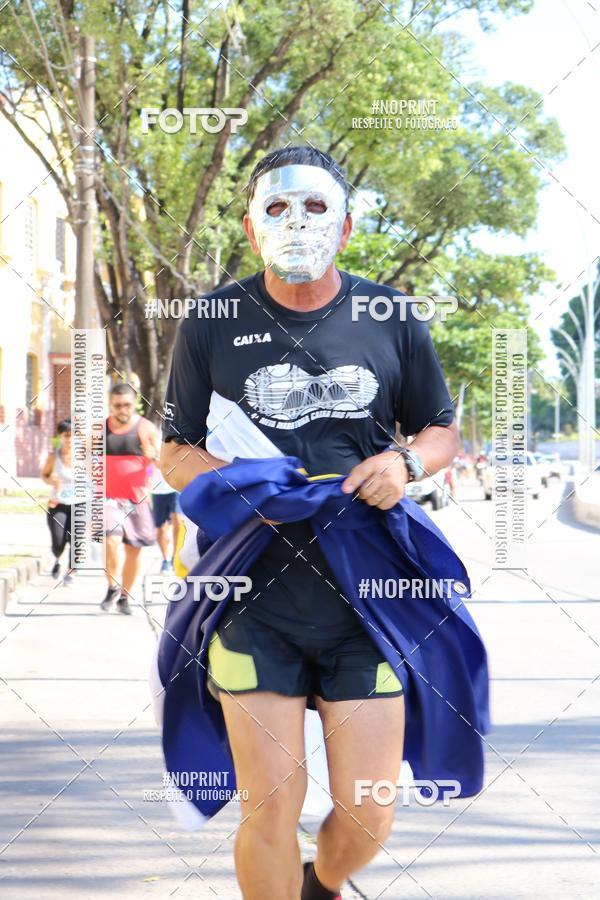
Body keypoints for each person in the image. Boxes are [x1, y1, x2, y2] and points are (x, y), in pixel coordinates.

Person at [160, 146, 463, 899]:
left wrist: (406, 467)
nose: (296, 223)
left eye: (317, 208)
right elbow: (173, 450)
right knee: (269, 806)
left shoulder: (388, 316)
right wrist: (233, 482)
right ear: (249, 225)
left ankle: (319, 885)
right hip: (252, 599)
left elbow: (439, 430)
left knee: (368, 817)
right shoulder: (211, 321)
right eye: (275, 208)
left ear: (349, 227)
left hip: (369, 600)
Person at [101, 383, 159, 615]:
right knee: (111, 541)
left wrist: (152, 456)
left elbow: (161, 461)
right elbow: (86, 459)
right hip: (108, 499)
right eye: (118, 405)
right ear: (110, 404)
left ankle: (124, 596)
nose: (123, 410)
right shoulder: (100, 430)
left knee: (134, 550)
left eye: (127, 405)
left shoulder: (146, 429)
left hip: (137, 499)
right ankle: (111, 587)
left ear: (134, 404)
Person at [41, 419, 74, 584]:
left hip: (79, 505)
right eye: (66, 435)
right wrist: (51, 481)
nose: (69, 439)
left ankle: (71, 572)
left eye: (73, 435)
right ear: (60, 437)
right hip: (58, 504)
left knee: (76, 539)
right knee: (58, 541)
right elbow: (44, 475)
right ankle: (57, 559)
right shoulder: (54, 457)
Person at [150, 459, 182, 574]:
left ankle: (175, 556)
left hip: (175, 487)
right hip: (157, 490)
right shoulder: (148, 441)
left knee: (178, 521)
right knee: (161, 528)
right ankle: (166, 560)